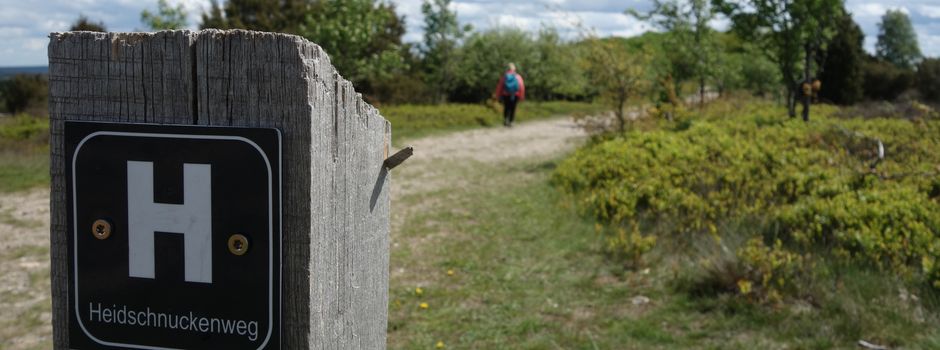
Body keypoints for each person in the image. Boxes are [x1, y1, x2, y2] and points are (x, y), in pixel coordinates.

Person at [493, 63, 525, 127]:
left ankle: (505, 120)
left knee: (506, 107)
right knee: (513, 108)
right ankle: (511, 121)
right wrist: (521, 96)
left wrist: (497, 95)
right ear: (514, 69)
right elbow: (521, 86)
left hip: (506, 94)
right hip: (515, 94)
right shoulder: (518, 76)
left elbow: (500, 86)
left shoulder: (504, 76)